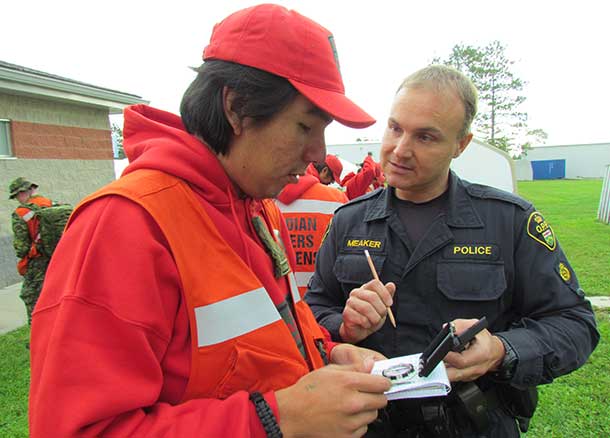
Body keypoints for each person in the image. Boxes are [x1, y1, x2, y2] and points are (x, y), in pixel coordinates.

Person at [28, 4, 392, 437]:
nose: (318, 153)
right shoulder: (126, 224)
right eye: (304, 127)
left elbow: (267, 342)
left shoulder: (256, 207)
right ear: (235, 108)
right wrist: (277, 420)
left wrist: (330, 354)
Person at [304, 65, 599, 437]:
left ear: (461, 144)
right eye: (395, 128)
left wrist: (500, 350)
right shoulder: (349, 221)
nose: (400, 149)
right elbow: (313, 308)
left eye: (426, 137)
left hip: (472, 422)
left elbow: (574, 324)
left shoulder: (508, 222)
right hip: (369, 424)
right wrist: (343, 325)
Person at [276, 154, 348, 294]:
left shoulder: (265, 197)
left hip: (279, 300)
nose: (330, 183)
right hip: (321, 300)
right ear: (325, 171)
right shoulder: (337, 200)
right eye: (331, 179)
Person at [9, 177, 53, 326]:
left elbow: (21, 248)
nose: (17, 199)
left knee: (31, 298)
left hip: (37, 264)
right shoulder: (51, 204)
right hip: (56, 259)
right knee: (53, 296)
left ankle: (39, 338)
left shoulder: (21, 212)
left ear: (22, 192)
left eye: (16, 196)